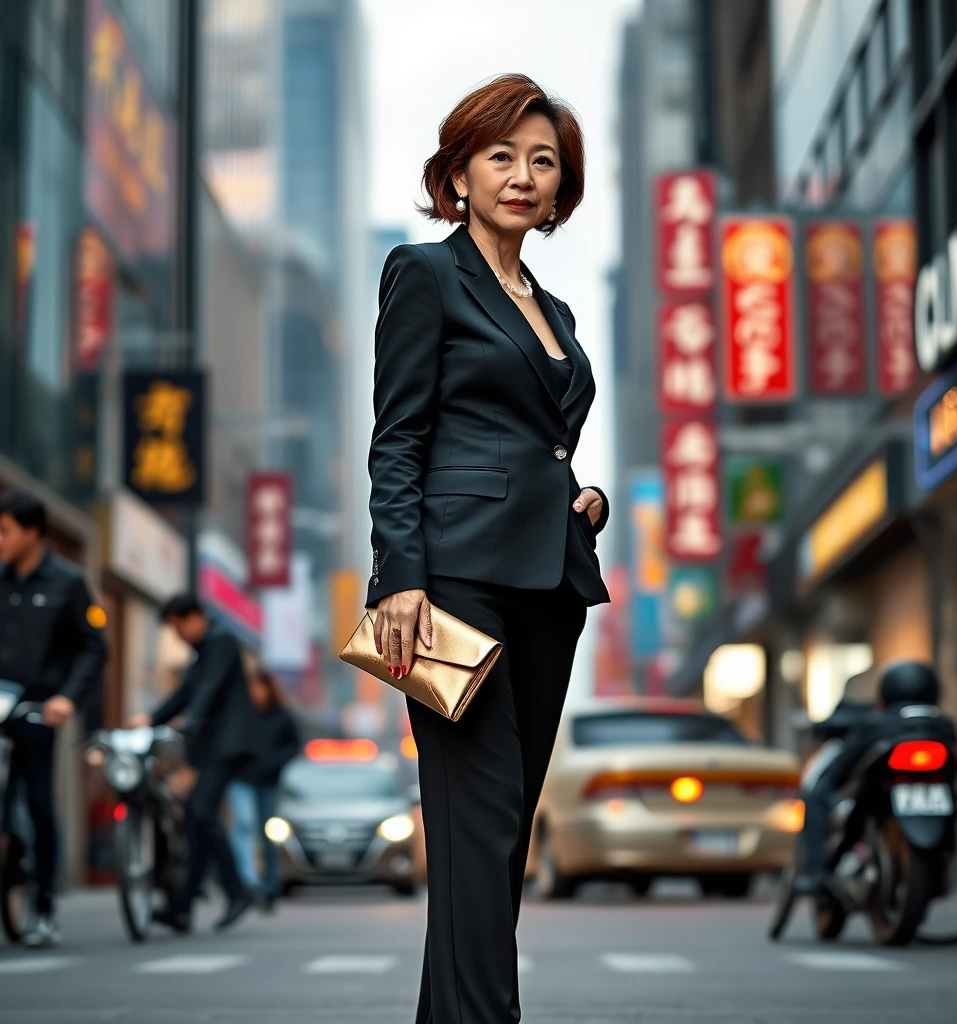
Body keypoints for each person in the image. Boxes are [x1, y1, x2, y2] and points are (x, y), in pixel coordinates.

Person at [367, 74, 610, 1024]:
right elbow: (400, 437)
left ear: (559, 188)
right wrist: (399, 578)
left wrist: (578, 496)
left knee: (496, 841)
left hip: (551, 583)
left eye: (542, 160)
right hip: (453, 580)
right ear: (459, 173)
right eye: (501, 155)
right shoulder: (425, 274)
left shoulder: (558, 311)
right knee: (481, 820)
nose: (523, 174)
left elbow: (539, 442)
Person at [0, 490, 107, 948]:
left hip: (38, 709)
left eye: (4, 531)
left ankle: (43, 905)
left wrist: (66, 697)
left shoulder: (68, 582)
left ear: (33, 532)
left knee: (40, 803)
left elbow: (94, 647)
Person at [131, 594, 261, 932]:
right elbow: (187, 692)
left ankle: (237, 890)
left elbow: (208, 689)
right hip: (213, 746)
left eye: (177, 627)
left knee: (200, 812)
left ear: (195, 617)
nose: (177, 635)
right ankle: (182, 906)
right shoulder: (204, 649)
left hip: (226, 746)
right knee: (195, 818)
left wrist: (190, 720)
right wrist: (151, 718)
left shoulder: (221, 641)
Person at [795, 660, 957, 895]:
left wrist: (829, 787)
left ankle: (816, 873)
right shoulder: (945, 724)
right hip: (930, 825)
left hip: (877, 804)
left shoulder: (875, 722)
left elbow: (841, 770)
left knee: (815, 796)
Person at [226, 664, 299, 911]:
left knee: (269, 834)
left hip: (268, 782)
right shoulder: (241, 714)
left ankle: (270, 886)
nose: (255, 693)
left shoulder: (281, 716)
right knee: (244, 827)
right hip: (243, 780)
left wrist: (274, 763)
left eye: (258, 687)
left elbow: (293, 746)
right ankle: (248, 883)